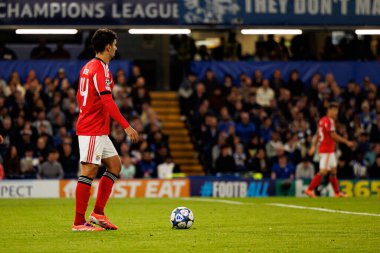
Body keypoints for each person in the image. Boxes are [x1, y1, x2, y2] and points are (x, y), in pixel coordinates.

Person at [72, 29, 139, 231]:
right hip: (92, 129)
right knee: (89, 170)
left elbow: (79, 96)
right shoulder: (100, 69)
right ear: (108, 47)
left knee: (115, 165)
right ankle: (78, 222)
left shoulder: (88, 67)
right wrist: (126, 126)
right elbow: (107, 101)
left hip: (97, 128)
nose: (116, 49)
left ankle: (98, 213)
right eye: (115, 45)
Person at [305, 103, 354, 198]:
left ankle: (337, 193)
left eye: (337, 111)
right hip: (326, 150)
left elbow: (318, 135)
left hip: (329, 150)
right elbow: (333, 135)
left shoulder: (322, 120)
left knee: (333, 171)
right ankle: (309, 190)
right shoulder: (329, 121)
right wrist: (346, 142)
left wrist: (313, 147)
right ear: (329, 111)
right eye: (334, 111)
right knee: (323, 171)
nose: (336, 113)